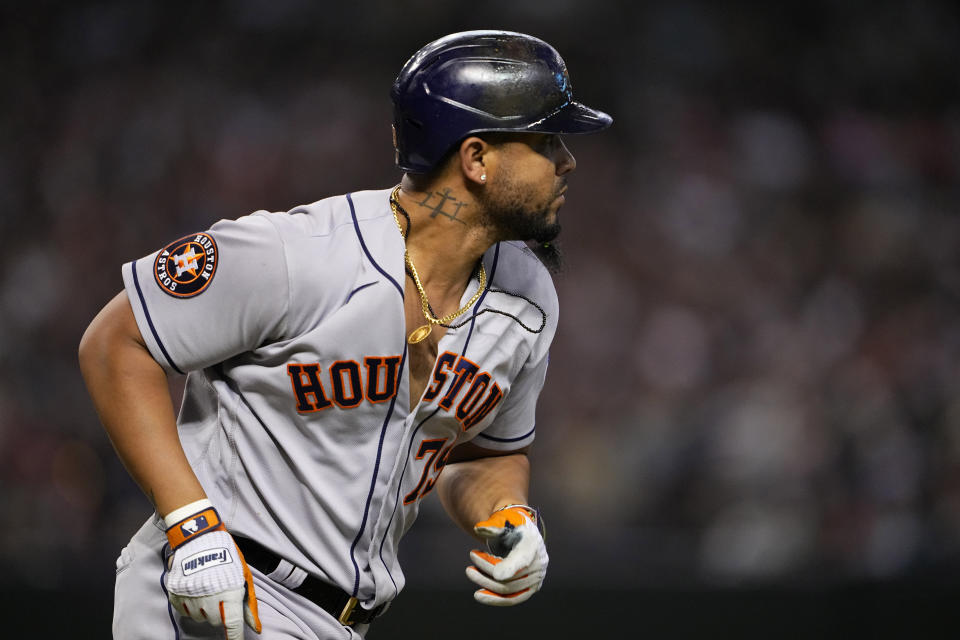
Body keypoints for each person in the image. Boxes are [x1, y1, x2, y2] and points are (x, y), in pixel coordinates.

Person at [79, 30, 611, 639]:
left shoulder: (526, 298)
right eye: (547, 140)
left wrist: (506, 512)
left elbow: (477, 453)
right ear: (477, 159)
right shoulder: (298, 254)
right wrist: (190, 524)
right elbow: (115, 343)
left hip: (340, 623)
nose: (568, 161)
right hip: (217, 592)